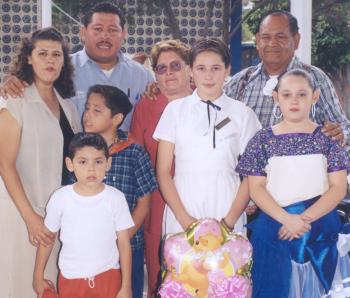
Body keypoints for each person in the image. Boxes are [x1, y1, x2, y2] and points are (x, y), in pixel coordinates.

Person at [236, 69, 350, 298]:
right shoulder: (262, 140)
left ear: (315, 96)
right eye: (287, 95)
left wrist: (303, 220)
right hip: (275, 227)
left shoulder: (328, 139)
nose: (294, 101)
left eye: (302, 94)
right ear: (276, 98)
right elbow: (256, 187)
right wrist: (287, 219)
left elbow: (338, 187)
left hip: (317, 226)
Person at [0, 27, 81, 297]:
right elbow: (5, 164)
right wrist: (31, 219)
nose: (50, 60)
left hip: (56, 217)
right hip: (20, 214)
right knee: (19, 287)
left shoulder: (69, 107)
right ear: (29, 59)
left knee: (48, 287)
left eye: (56, 55)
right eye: (42, 53)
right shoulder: (14, 101)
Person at [153, 38, 261, 236]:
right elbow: (163, 172)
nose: (208, 75)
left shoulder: (243, 114)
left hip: (228, 205)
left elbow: (252, 175)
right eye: (201, 68)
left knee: (228, 266)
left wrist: (228, 222)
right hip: (183, 206)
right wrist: (186, 221)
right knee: (183, 267)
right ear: (191, 71)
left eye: (216, 68)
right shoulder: (175, 111)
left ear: (227, 70)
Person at [1, 2, 154, 131]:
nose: (105, 36)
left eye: (112, 30)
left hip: (127, 163)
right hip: (70, 162)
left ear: (123, 34)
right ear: (83, 32)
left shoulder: (142, 75)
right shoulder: (60, 68)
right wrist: (13, 82)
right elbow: (27, 87)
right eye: (98, 29)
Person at [224, 9, 349, 147]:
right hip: (247, 167)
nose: (272, 43)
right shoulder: (240, 82)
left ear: (296, 40)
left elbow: (343, 127)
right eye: (266, 37)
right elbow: (219, 124)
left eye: (280, 37)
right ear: (258, 41)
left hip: (301, 167)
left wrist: (341, 133)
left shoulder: (316, 79)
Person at [33, 132, 134, 298]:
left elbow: (124, 244)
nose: (91, 168)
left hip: (109, 276)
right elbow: (47, 239)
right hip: (71, 280)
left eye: (98, 161)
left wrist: (126, 286)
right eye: (83, 162)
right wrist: (37, 277)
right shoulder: (60, 198)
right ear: (70, 164)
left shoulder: (116, 198)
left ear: (108, 163)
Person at [130, 39, 193, 297]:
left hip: (202, 199)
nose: (168, 73)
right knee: (162, 276)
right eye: (161, 68)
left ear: (189, 68)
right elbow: (136, 157)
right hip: (158, 203)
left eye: (175, 66)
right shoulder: (146, 105)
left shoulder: (206, 101)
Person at [83, 84, 158, 298]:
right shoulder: (80, 150)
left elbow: (144, 203)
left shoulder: (134, 152)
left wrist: (121, 238)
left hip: (128, 245)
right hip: (89, 246)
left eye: (97, 111)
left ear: (116, 119)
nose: (87, 115)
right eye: (87, 108)